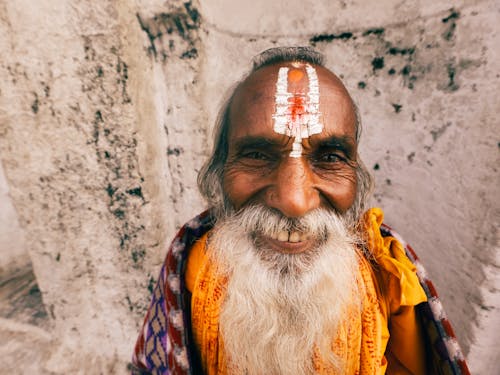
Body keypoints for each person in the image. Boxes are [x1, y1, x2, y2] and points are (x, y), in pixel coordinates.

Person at [131, 47, 470, 374]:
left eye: (329, 157)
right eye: (258, 155)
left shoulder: (389, 279)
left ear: (357, 179)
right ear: (218, 175)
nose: (294, 200)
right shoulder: (190, 271)